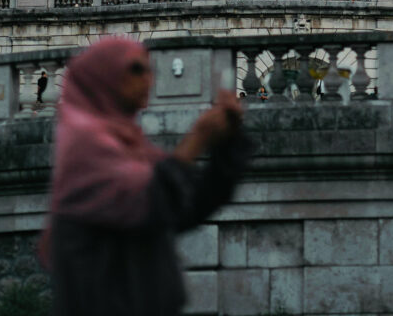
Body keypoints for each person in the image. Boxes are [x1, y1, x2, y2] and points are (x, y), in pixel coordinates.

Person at [45, 37, 248, 316]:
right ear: (103, 77)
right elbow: (152, 202)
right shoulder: (85, 144)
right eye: (136, 70)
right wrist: (198, 138)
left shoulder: (128, 144)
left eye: (149, 70)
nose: (148, 79)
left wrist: (228, 142)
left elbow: (189, 207)